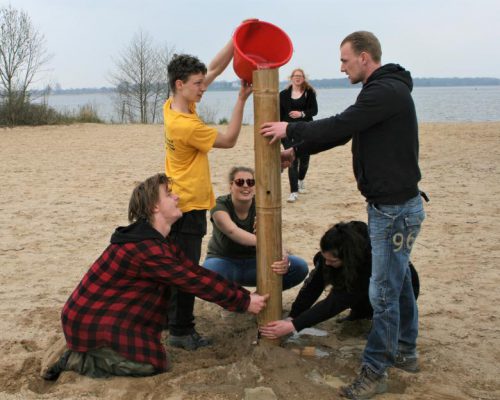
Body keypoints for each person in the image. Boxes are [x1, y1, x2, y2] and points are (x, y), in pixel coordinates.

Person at [260, 31, 426, 399]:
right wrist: (297, 150)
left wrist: (290, 128)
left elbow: (340, 124)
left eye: (345, 60)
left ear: (365, 58)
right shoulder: (381, 91)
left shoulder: (385, 91)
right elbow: (342, 135)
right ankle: (407, 350)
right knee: (395, 286)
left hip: (395, 211)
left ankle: (375, 371)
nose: (341, 67)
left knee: (382, 293)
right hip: (391, 207)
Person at [42, 173, 268, 381]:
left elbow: (194, 272)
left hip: (97, 316)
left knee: (152, 351)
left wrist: (244, 296)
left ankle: (84, 346)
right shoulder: (146, 247)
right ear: (155, 207)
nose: (177, 196)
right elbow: (192, 281)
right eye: (169, 194)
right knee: (152, 364)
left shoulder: (157, 241)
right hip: (88, 320)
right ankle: (78, 358)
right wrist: (244, 302)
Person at [163, 37, 252, 350]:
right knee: (187, 271)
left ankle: (166, 319)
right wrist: (241, 99)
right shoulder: (187, 125)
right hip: (188, 206)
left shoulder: (173, 106)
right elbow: (228, 139)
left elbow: (213, 68)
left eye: (202, 83)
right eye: (198, 84)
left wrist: (236, 39)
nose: (204, 88)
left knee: (173, 266)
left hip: (175, 202)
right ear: (180, 83)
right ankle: (181, 332)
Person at [259, 221, 419, 338]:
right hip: (363, 288)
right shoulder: (333, 251)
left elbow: (335, 303)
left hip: (397, 294)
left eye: (332, 261)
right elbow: (313, 285)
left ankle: (377, 321)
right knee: (326, 271)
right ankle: (360, 313)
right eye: (325, 257)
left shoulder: (368, 261)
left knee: (377, 325)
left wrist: (293, 326)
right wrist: (294, 316)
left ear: (347, 258)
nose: (327, 263)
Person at [203, 166, 309, 290]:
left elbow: (274, 236)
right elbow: (232, 231)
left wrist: (283, 256)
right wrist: (266, 243)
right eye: (240, 182)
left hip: (257, 263)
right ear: (231, 185)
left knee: (298, 266)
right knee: (209, 273)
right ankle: (239, 299)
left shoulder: (264, 205)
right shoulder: (220, 204)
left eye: (251, 182)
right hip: (225, 262)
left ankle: (262, 294)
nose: (246, 186)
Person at [280, 68, 318, 203]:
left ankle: (301, 180)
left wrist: (301, 114)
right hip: (287, 131)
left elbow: (314, 110)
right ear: (291, 78)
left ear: (303, 78)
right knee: (293, 160)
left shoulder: (309, 93)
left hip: (305, 130)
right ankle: (293, 192)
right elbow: (279, 114)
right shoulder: (283, 94)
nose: (297, 78)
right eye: (295, 76)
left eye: (300, 76)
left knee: (305, 160)